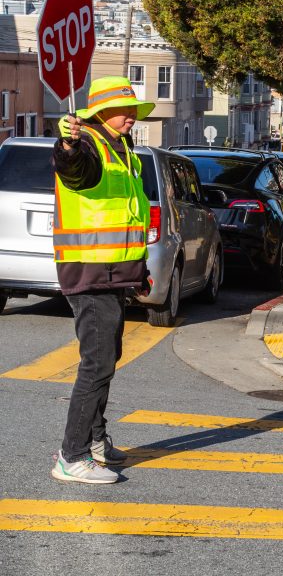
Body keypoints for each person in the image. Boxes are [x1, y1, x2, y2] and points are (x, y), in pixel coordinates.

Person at [50, 76, 154, 484]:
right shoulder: (90, 142)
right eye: (123, 110)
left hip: (114, 272)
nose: (131, 116)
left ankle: (94, 442)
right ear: (100, 112)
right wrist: (68, 146)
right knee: (97, 362)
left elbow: (129, 215)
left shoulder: (123, 149)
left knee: (106, 357)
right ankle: (71, 456)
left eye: (133, 110)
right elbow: (74, 170)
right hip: (90, 271)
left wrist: (139, 272)